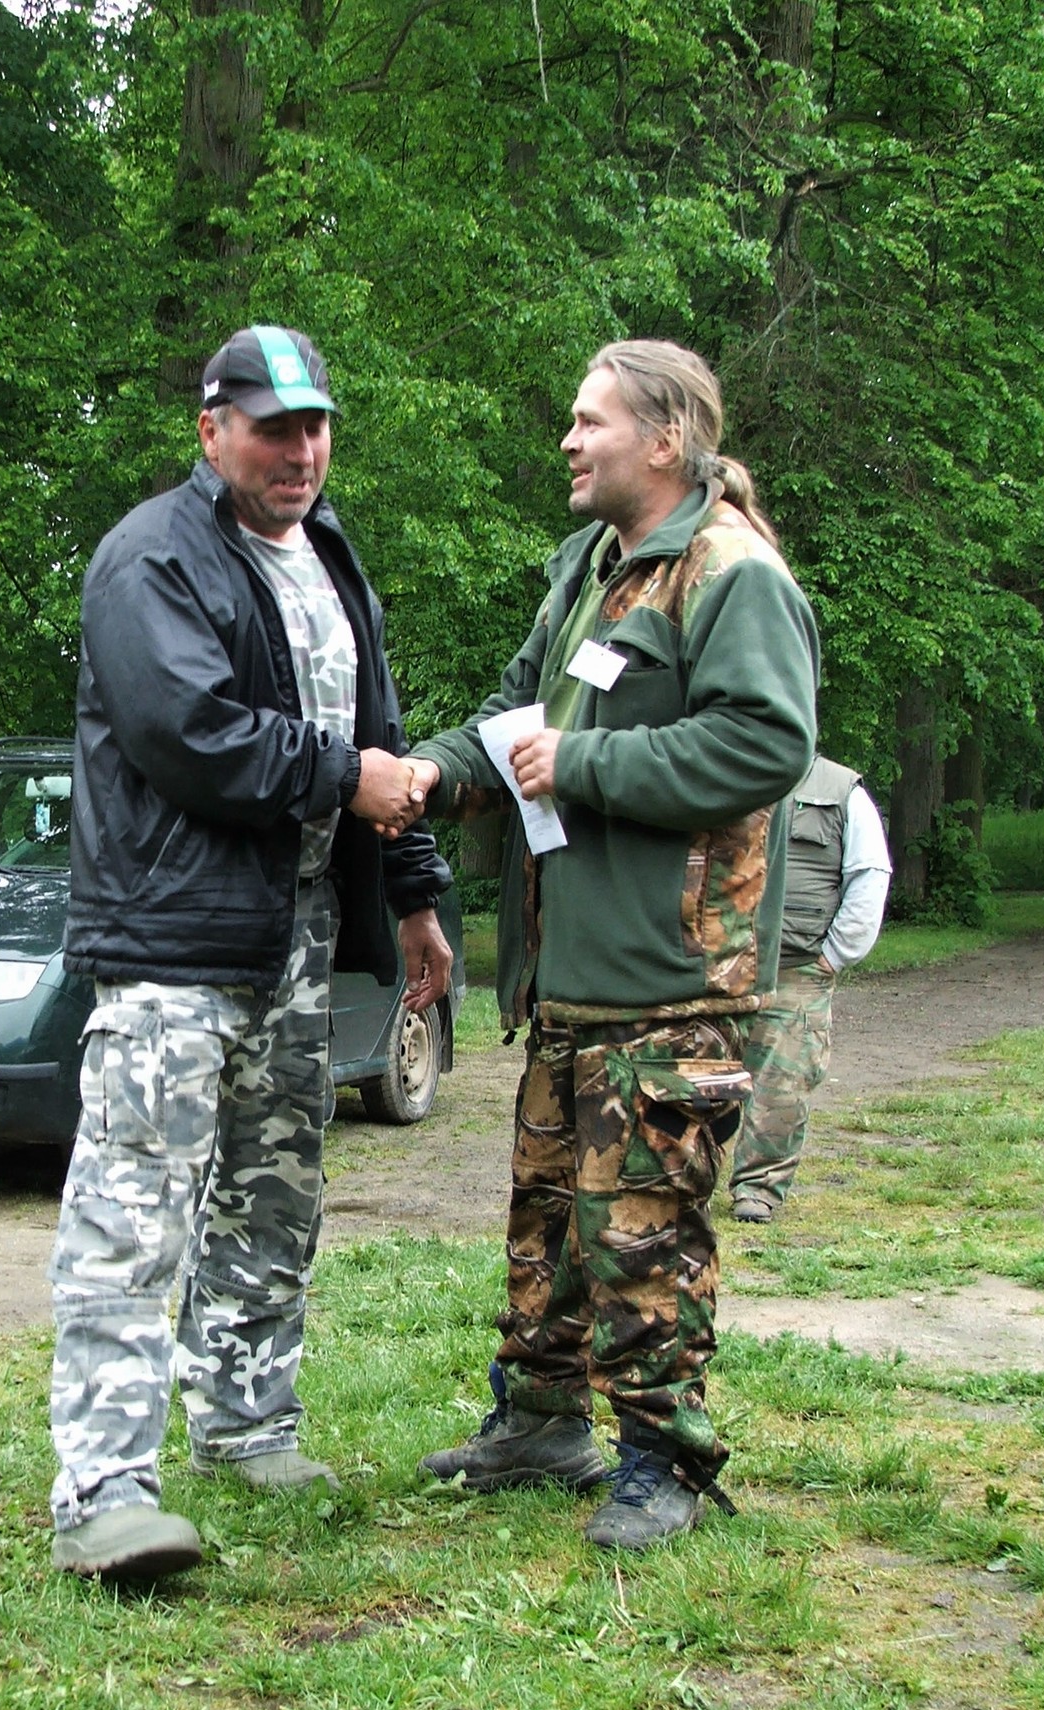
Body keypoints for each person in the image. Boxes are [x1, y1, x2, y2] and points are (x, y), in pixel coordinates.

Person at [48, 323, 453, 1581]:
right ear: (212, 431)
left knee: (275, 1192)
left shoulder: (328, 553)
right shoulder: (150, 557)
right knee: (134, 1211)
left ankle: (247, 1424)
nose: (300, 451)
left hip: (300, 934)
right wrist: (347, 776)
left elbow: (379, 729)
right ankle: (104, 1494)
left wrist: (415, 894)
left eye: (315, 426)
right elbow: (193, 736)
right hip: (174, 943)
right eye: (273, 428)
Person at [405, 339, 819, 1551]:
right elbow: (515, 719)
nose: (569, 441)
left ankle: (664, 1461)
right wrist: (429, 774)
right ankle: (540, 1422)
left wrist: (584, 764)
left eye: (592, 422)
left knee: (642, 1232)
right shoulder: (589, 567)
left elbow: (765, 743)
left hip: (673, 976)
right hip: (572, 975)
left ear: (666, 438)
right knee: (549, 1220)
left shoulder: (731, 572)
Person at [729, 754, 891, 1223]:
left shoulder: (842, 792)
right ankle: (682, 1185)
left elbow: (869, 875)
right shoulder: (725, 767)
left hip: (797, 970)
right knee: (693, 1077)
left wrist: (834, 955)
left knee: (782, 1085)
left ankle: (758, 1188)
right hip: (716, 964)